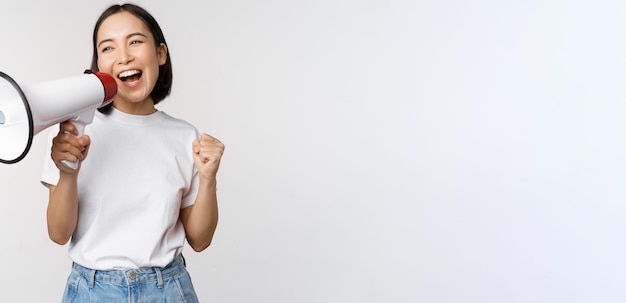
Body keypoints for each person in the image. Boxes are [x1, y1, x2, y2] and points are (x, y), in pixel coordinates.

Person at [40, 3, 224, 302]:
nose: (124, 56)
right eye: (108, 48)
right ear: (98, 65)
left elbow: (200, 240)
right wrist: (67, 173)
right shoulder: (74, 130)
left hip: (168, 290)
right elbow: (59, 234)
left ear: (160, 54)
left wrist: (208, 179)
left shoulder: (184, 136)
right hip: (92, 291)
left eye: (135, 41)